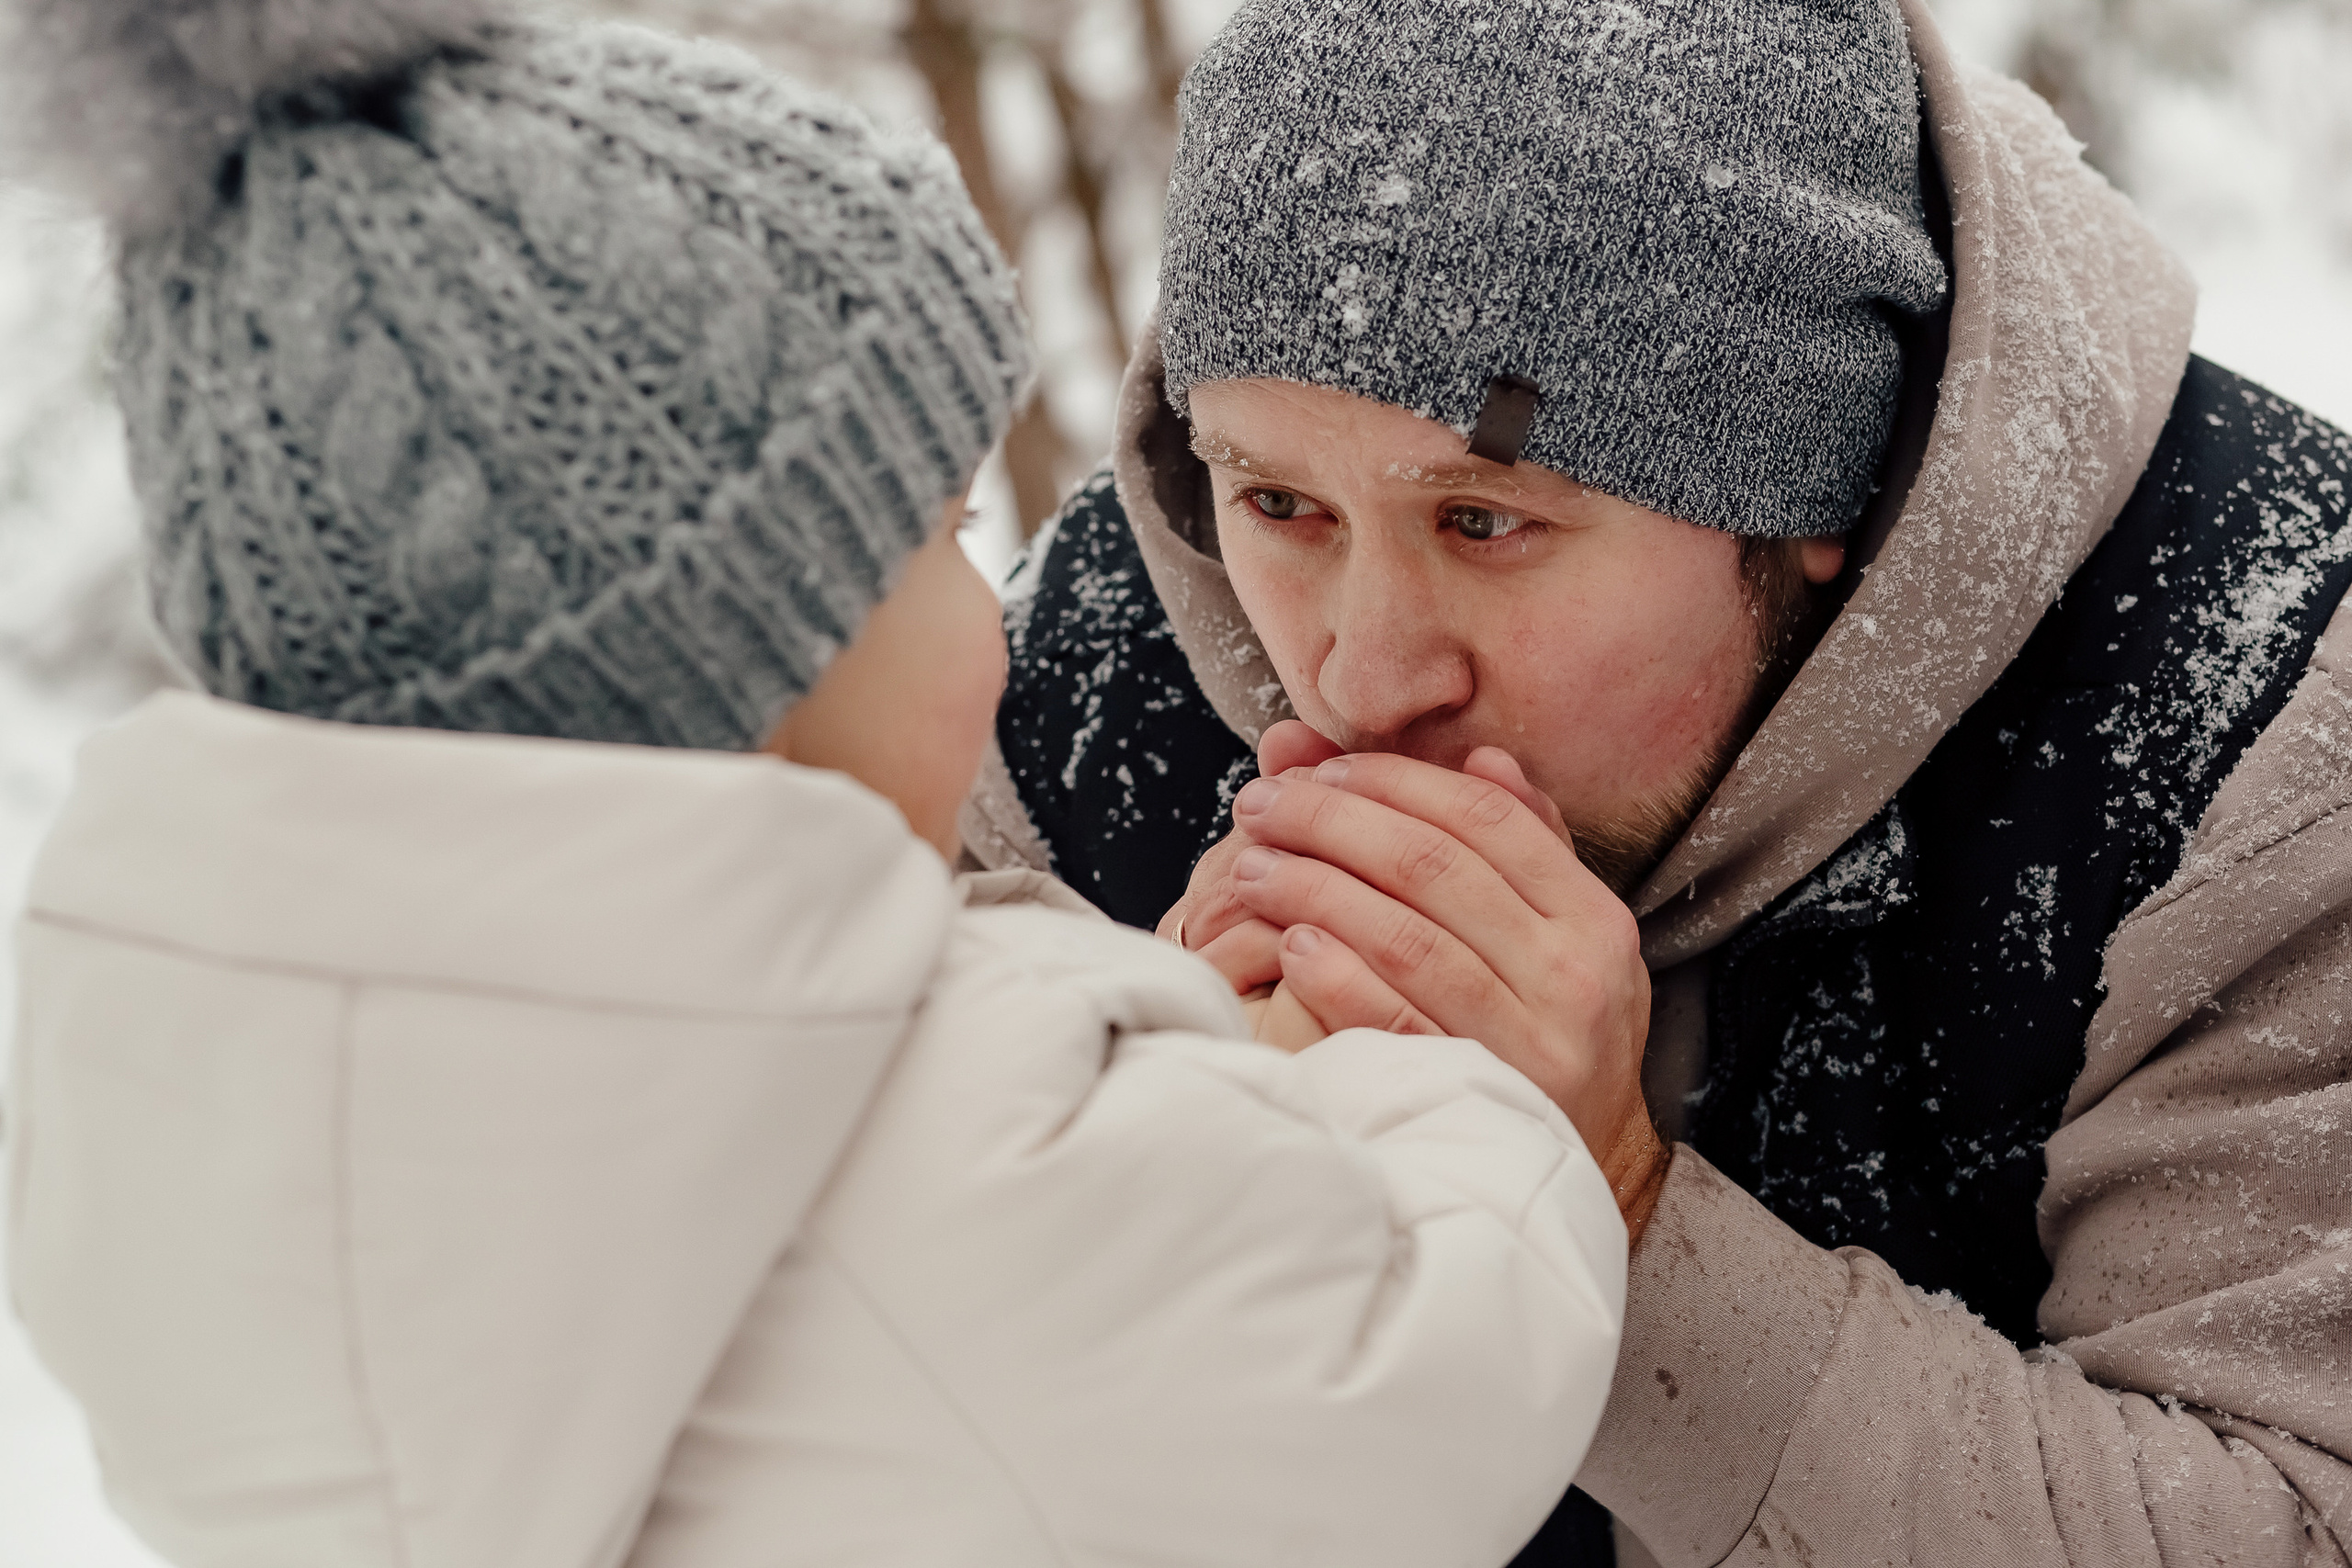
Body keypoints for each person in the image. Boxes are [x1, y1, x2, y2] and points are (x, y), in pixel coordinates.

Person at [0, 5, 1630, 1564]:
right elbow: (1416, 1396)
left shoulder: (185, 1143)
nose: (998, 620)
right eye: (941, 545)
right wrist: (1443, 1087)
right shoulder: (971, 1142)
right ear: (748, 669)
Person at [964, 0, 2352, 1562]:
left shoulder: (2261, 709)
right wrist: (1113, 1167)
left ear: (1828, 486)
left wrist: (1618, 1215)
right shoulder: (1083, 670)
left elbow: (2284, 1521)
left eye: (1484, 522)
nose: (1355, 674)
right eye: (1280, 503)